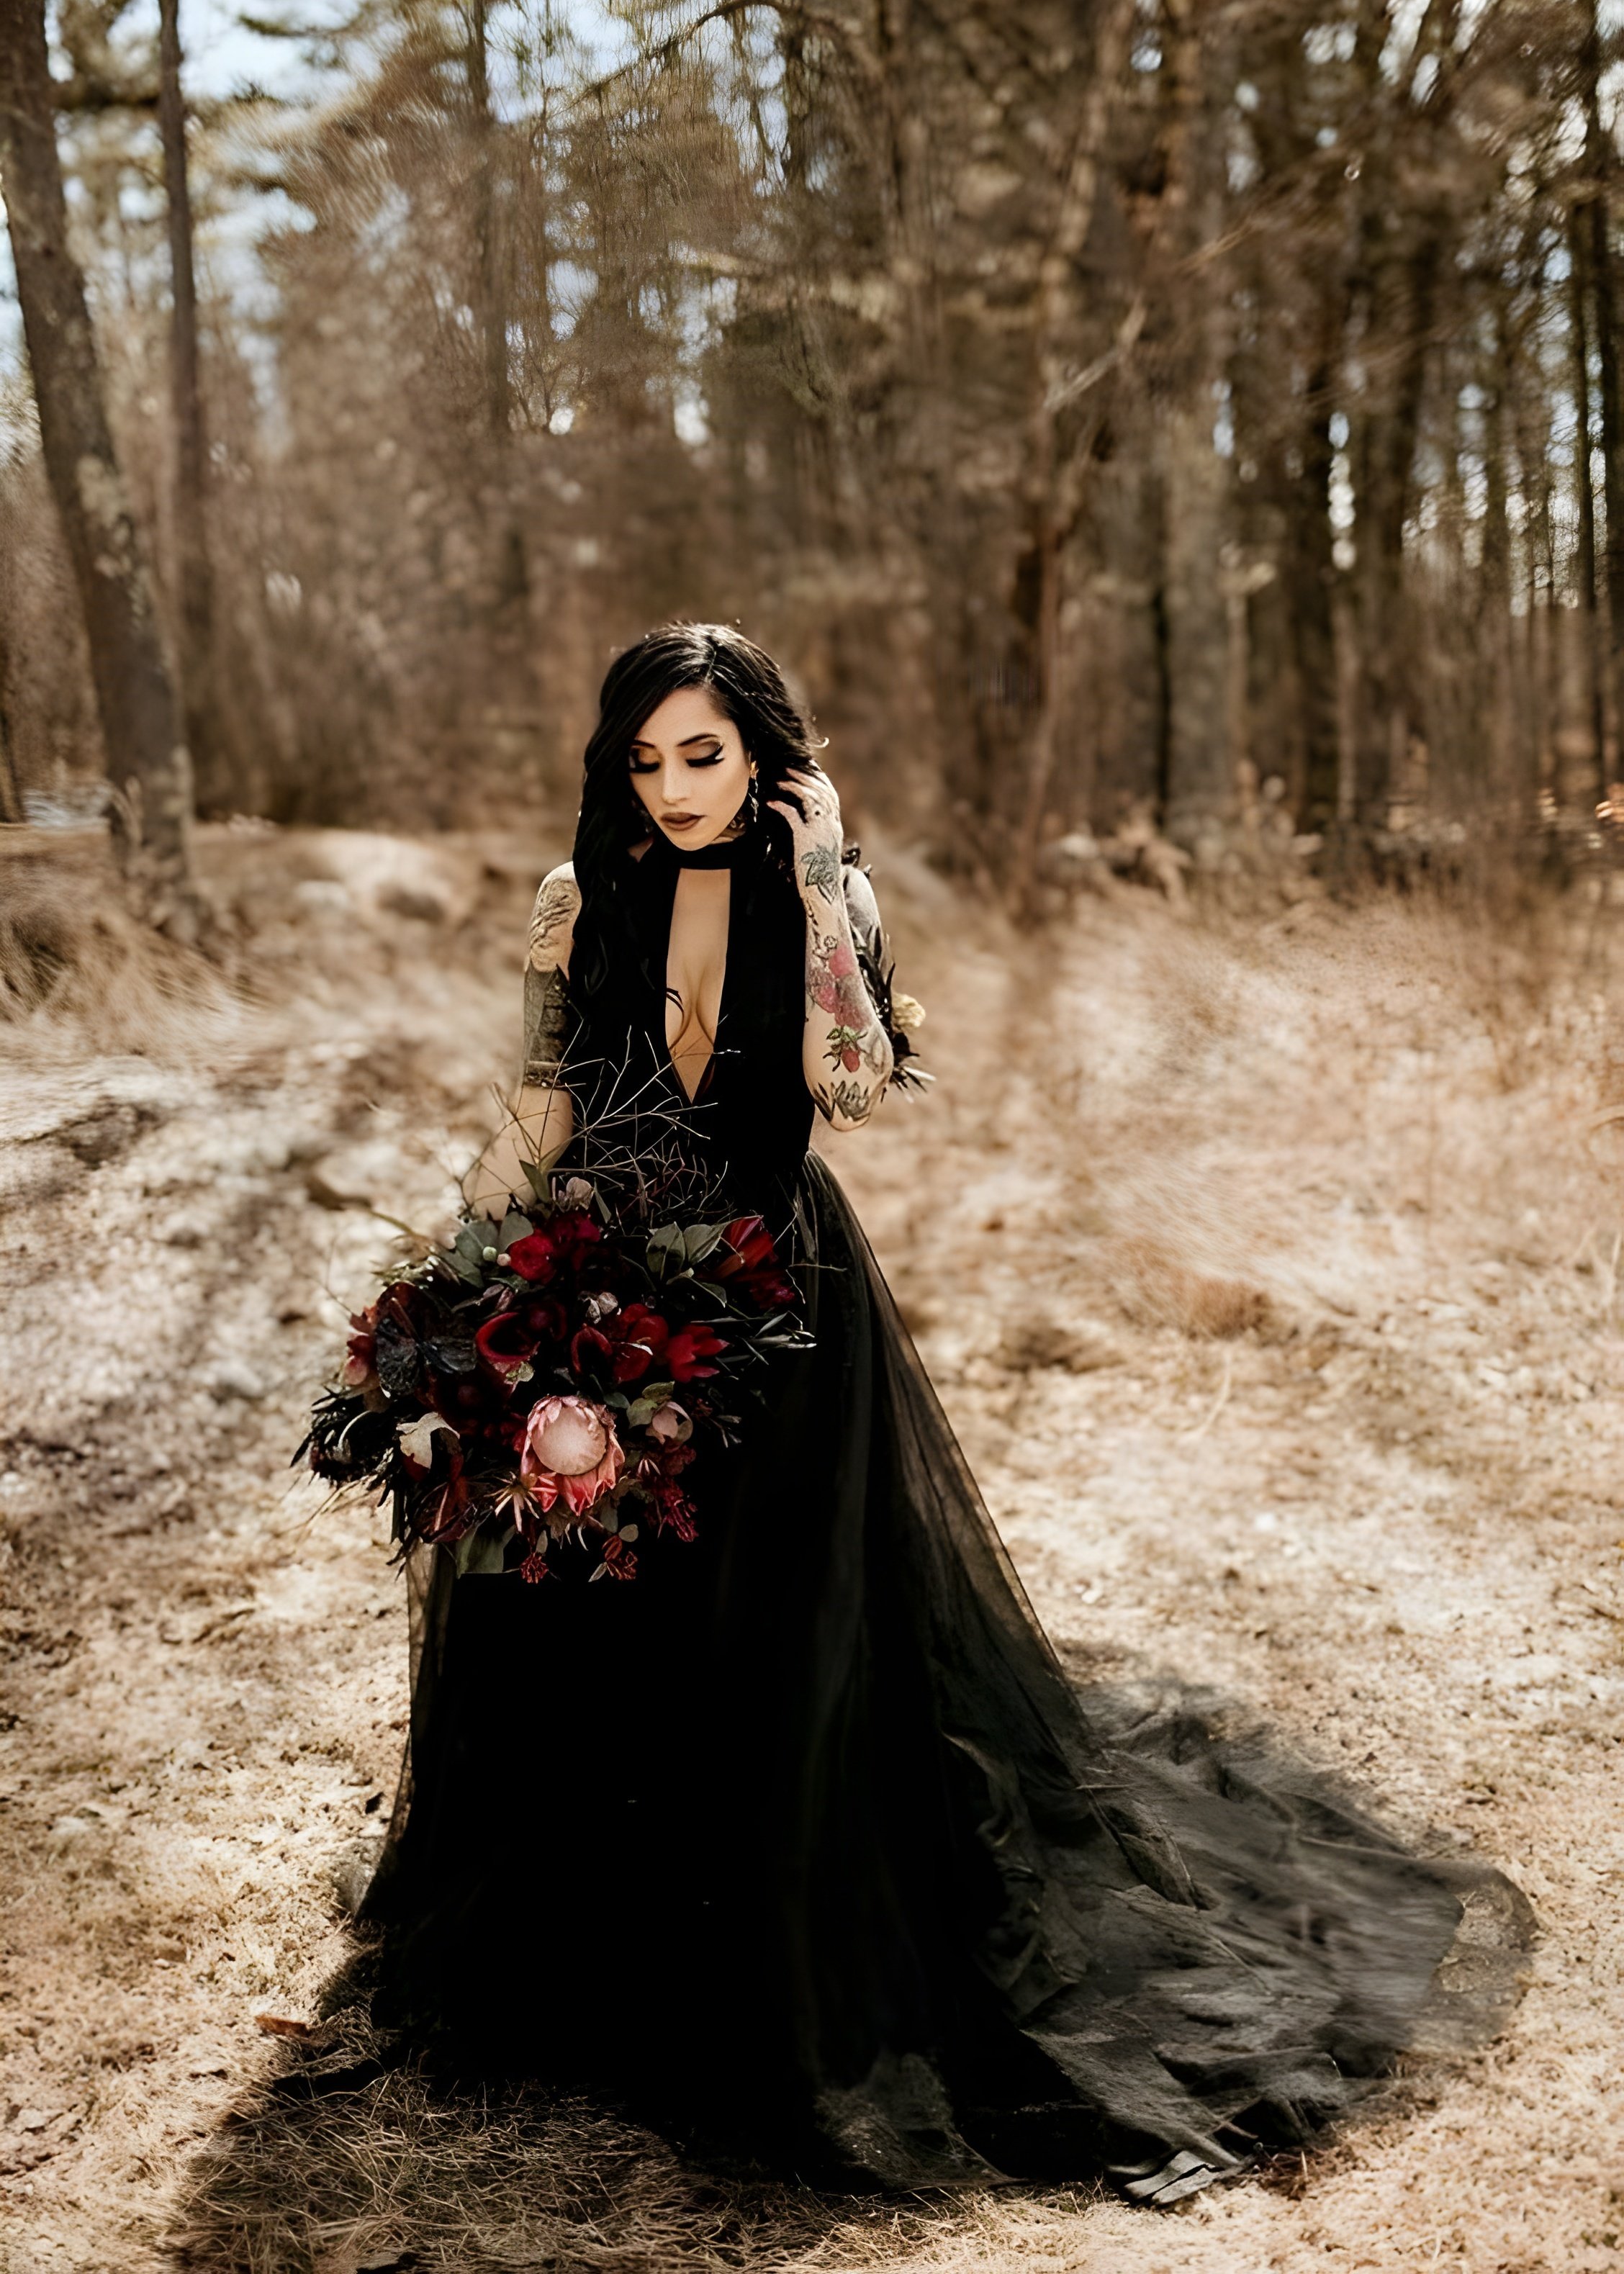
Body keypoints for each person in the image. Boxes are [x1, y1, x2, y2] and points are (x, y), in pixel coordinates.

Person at [364, 624, 1527, 2204]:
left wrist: (825, 870)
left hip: (779, 1296)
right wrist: (468, 1276)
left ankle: (788, 1941)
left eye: (704, 753)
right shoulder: (584, 898)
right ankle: (607, 1946)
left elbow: (849, 1083)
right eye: (647, 757)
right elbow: (543, 1105)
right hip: (602, 1275)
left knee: (781, 1623)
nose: (675, 785)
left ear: (764, 755)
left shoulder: (821, 893)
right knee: (599, 1603)